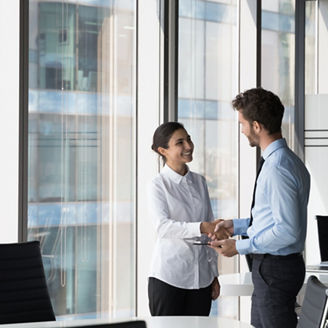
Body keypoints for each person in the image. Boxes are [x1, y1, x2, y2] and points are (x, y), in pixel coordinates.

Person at [210, 88, 311, 328]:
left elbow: (287, 231)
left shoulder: (277, 167)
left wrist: (240, 246)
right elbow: (273, 217)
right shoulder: (287, 161)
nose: (242, 130)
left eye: (242, 124)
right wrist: (236, 225)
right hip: (274, 268)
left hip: (275, 269)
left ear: (256, 126)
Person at [148, 122, 229, 316]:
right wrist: (201, 227)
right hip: (169, 279)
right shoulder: (158, 185)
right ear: (163, 150)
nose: (189, 146)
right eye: (180, 142)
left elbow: (210, 233)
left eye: (189, 139)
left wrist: (213, 275)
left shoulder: (200, 182)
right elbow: (163, 227)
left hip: (201, 280)